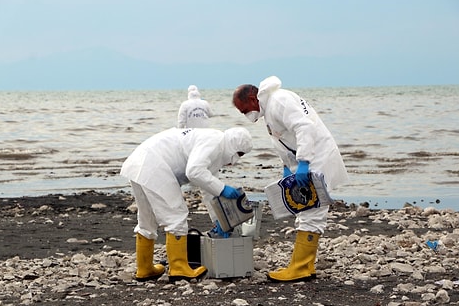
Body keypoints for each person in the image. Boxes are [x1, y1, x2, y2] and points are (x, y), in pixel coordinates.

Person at [232, 75, 349, 282]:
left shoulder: (279, 101)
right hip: (307, 159)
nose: (246, 115)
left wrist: (303, 162)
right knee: (306, 209)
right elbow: (283, 140)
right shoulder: (269, 109)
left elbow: (304, 128)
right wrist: (287, 166)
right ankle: (305, 266)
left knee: (312, 211)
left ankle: (301, 268)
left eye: (244, 110)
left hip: (317, 157)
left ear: (252, 98)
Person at [120, 127, 253, 282]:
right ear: (234, 146)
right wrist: (222, 188)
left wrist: (218, 220)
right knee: (176, 215)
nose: (236, 160)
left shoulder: (214, 144)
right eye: (240, 154)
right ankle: (178, 268)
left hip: (141, 162)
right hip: (154, 165)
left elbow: (208, 189)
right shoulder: (214, 143)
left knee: (147, 219)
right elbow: (194, 172)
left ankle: (144, 269)